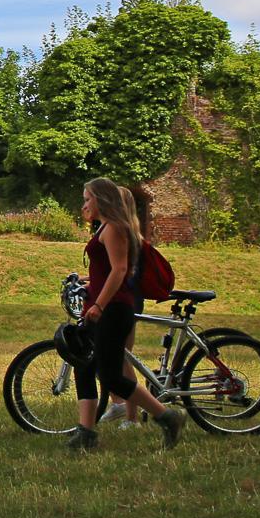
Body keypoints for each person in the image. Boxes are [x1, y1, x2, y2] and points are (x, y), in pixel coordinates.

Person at [69, 177, 185, 451]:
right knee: (83, 364)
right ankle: (86, 432)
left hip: (113, 309)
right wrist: (89, 288)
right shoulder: (104, 228)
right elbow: (105, 271)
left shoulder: (114, 228)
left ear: (101, 199)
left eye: (88, 199)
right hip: (99, 307)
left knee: (111, 377)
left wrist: (99, 305)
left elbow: (120, 270)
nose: (84, 204)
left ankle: (167, 416)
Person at [100, 183, 156, 428]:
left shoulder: (127, 233)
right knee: (117, 358)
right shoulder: (128, 232)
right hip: (128, 298)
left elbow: (124, 274)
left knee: (123, 359)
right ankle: (118, 404)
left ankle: (131, 416)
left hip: (128, 302)